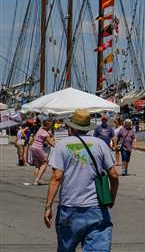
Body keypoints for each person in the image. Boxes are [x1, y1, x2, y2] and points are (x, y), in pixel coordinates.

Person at [42, 108, 119, 252]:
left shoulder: (62, 145)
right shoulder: (100, 144)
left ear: (71, 127)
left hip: (69, 207)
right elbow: (113, 175)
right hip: (96, 207)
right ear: (87, 128)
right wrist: (111, 197)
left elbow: (56, 177)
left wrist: (48, 206)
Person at [31, 118, 55, 185]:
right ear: (49, 126)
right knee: (45, 163)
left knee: (37, 165)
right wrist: (58, 146)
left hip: (33, 147)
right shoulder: (45, 133)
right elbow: (50, 143)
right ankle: (37, 179)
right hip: (38, 148)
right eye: (51, 126)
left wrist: (50, 134)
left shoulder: (40, 129)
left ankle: (35, 180)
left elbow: (47, 133)